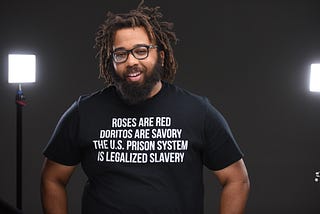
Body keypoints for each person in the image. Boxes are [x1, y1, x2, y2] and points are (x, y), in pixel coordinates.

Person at [40, 1, 250, 214]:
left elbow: (237, 180)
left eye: (141, 51)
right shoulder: (84, 112)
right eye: (121, 54)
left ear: (161, 55)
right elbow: (52, 179)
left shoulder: (197, 111)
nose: (131, 61)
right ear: (111, 61)